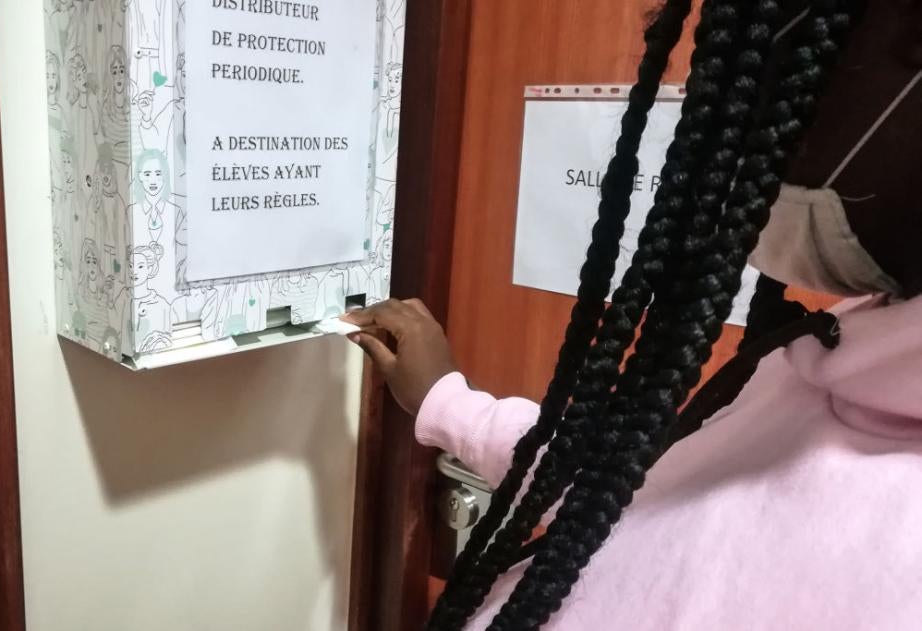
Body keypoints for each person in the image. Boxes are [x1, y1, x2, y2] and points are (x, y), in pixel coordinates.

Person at [344, 0, 922, 629]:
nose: (742, 138)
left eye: (779, 84)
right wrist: (450, 403)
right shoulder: (835, 357)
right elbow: (634, 487)